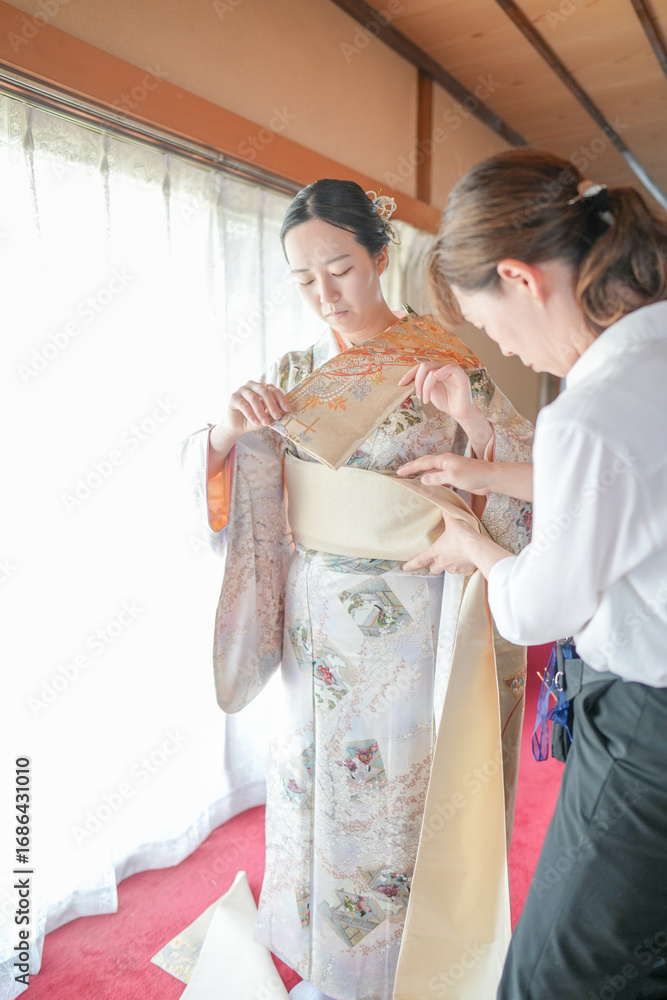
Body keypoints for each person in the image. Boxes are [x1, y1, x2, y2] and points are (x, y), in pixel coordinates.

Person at [180, 178, 534, 1000]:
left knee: (394, 794)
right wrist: (228, 430)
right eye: (304, 278)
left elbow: (521, 472)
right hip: (313, 613)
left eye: (339, 269)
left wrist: (470, 425)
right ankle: (321, 960)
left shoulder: (444, 359)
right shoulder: (295, 371)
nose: (324, 293)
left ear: (379, 256)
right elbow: (243, 484)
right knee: (309, 779)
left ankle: (391, 971)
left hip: (409, 611)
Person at [399, 149, 667, 999]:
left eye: (491, 324)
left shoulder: (589, 409)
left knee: (551, 976)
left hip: (648, 730)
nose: (503, 344)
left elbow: (535, 607)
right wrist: (481, 472)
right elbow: (634, 489)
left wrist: (475, 549)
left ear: (519, 278)